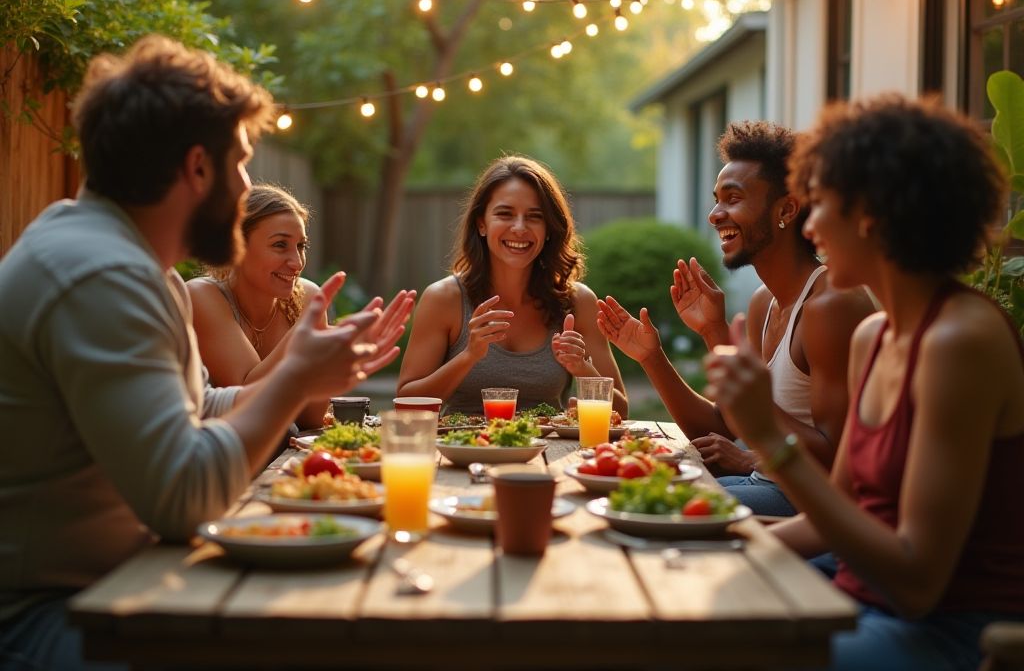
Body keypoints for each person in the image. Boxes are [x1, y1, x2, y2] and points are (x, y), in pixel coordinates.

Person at [0, 35, 411, 671]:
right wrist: (295, 376)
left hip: (119, 585)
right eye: (241, 162)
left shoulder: (130, 264)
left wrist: (300, 377)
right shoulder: (98, 274)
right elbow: (183, 496)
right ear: (197, 168)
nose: (246, 184)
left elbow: (193, 408)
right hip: (51, 616)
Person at [705, 95, 1024, 670]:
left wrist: (769, 440)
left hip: (947, 630)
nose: (811, 223)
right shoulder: (873, 335)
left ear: (872, 213)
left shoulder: (960, 343)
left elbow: (916, 583)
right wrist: (713, 544)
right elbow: (838, 513)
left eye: (821, 204)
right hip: (856, 589)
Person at [597, 121, 874, 516]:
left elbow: (837, 458)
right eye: (716, 199)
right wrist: (657, 355)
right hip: (763, 484)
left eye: (733, 199)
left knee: (640, 507)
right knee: (623, 485)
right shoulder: (764, 303)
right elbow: (722, 430)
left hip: (807, 506)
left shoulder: (830, 306)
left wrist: (751, 456)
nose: (714, 214)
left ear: (787, 209)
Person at [397, 155, 626, 416]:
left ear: (549, 228)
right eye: (505, 214)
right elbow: (406, 402)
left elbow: (622, 411)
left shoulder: (577, 302)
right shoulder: (444, 299)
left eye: (534, 217)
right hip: (462, 451)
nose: (519, 228)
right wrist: (468, 356)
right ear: (481, 223)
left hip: (550, 454)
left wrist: (583, 369)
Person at [187, 184, 414, 429]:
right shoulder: (202, 296)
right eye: (280, 245)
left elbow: (311, 419)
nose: (296, 263)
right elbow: (246, 399)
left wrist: (330, 361)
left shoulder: (308, 296)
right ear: (237, 245)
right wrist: (304, 335)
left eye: (301, 246)